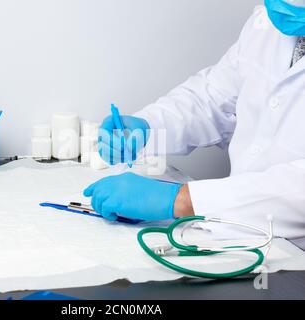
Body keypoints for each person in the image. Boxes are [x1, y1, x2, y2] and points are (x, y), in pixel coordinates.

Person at [83, 0, 305, 241]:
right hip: (239, 234)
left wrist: (182, 199)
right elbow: (211, 97)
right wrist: (148, 126)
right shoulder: (265, 26)